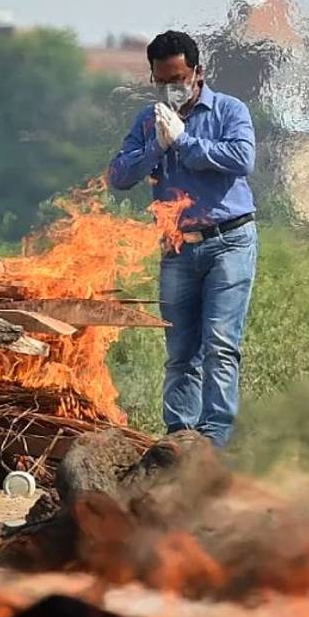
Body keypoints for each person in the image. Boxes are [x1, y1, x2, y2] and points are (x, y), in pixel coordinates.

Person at [107, 30, 257, 449]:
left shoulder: (229, 110)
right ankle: (179, 438)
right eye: (161, 81)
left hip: (229, 240)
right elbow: (119, 175)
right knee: (180, 351)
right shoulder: (148, 120)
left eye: (178, 79)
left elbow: (241, 158)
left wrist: (184, 142)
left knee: (220, 345)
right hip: (176, 247)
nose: (171, 88)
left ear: (197, 73)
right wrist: (156, 146)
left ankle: (214, 440)